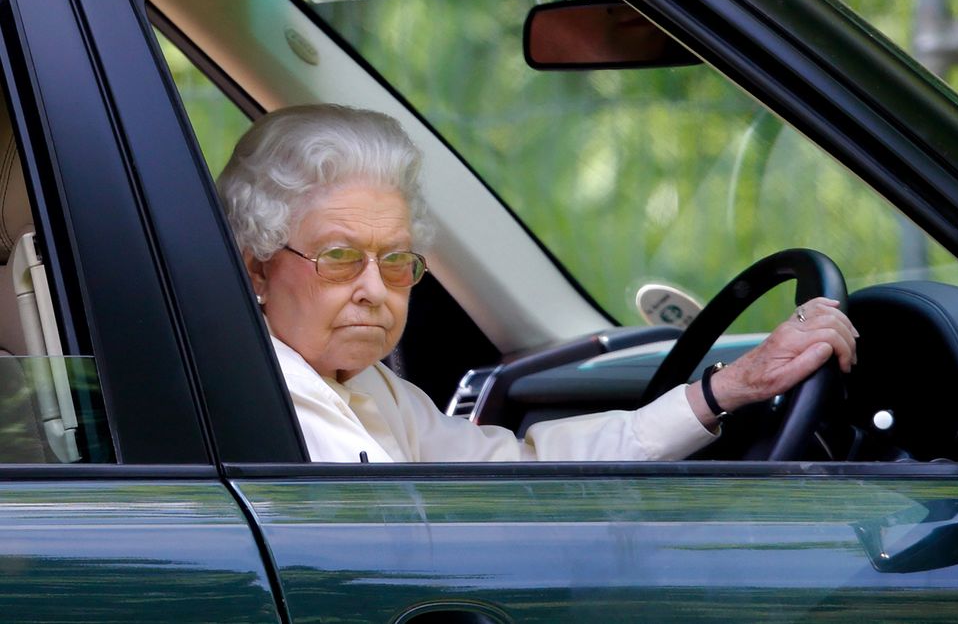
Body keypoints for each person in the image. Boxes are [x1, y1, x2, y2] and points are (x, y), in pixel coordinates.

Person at [217, 104, 858, 462]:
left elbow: (518, 475)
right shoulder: (263, 397)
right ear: (257, 268)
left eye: (395, 261)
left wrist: (726, 390)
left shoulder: (366, 384)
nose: (373, 289)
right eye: (338, 257)